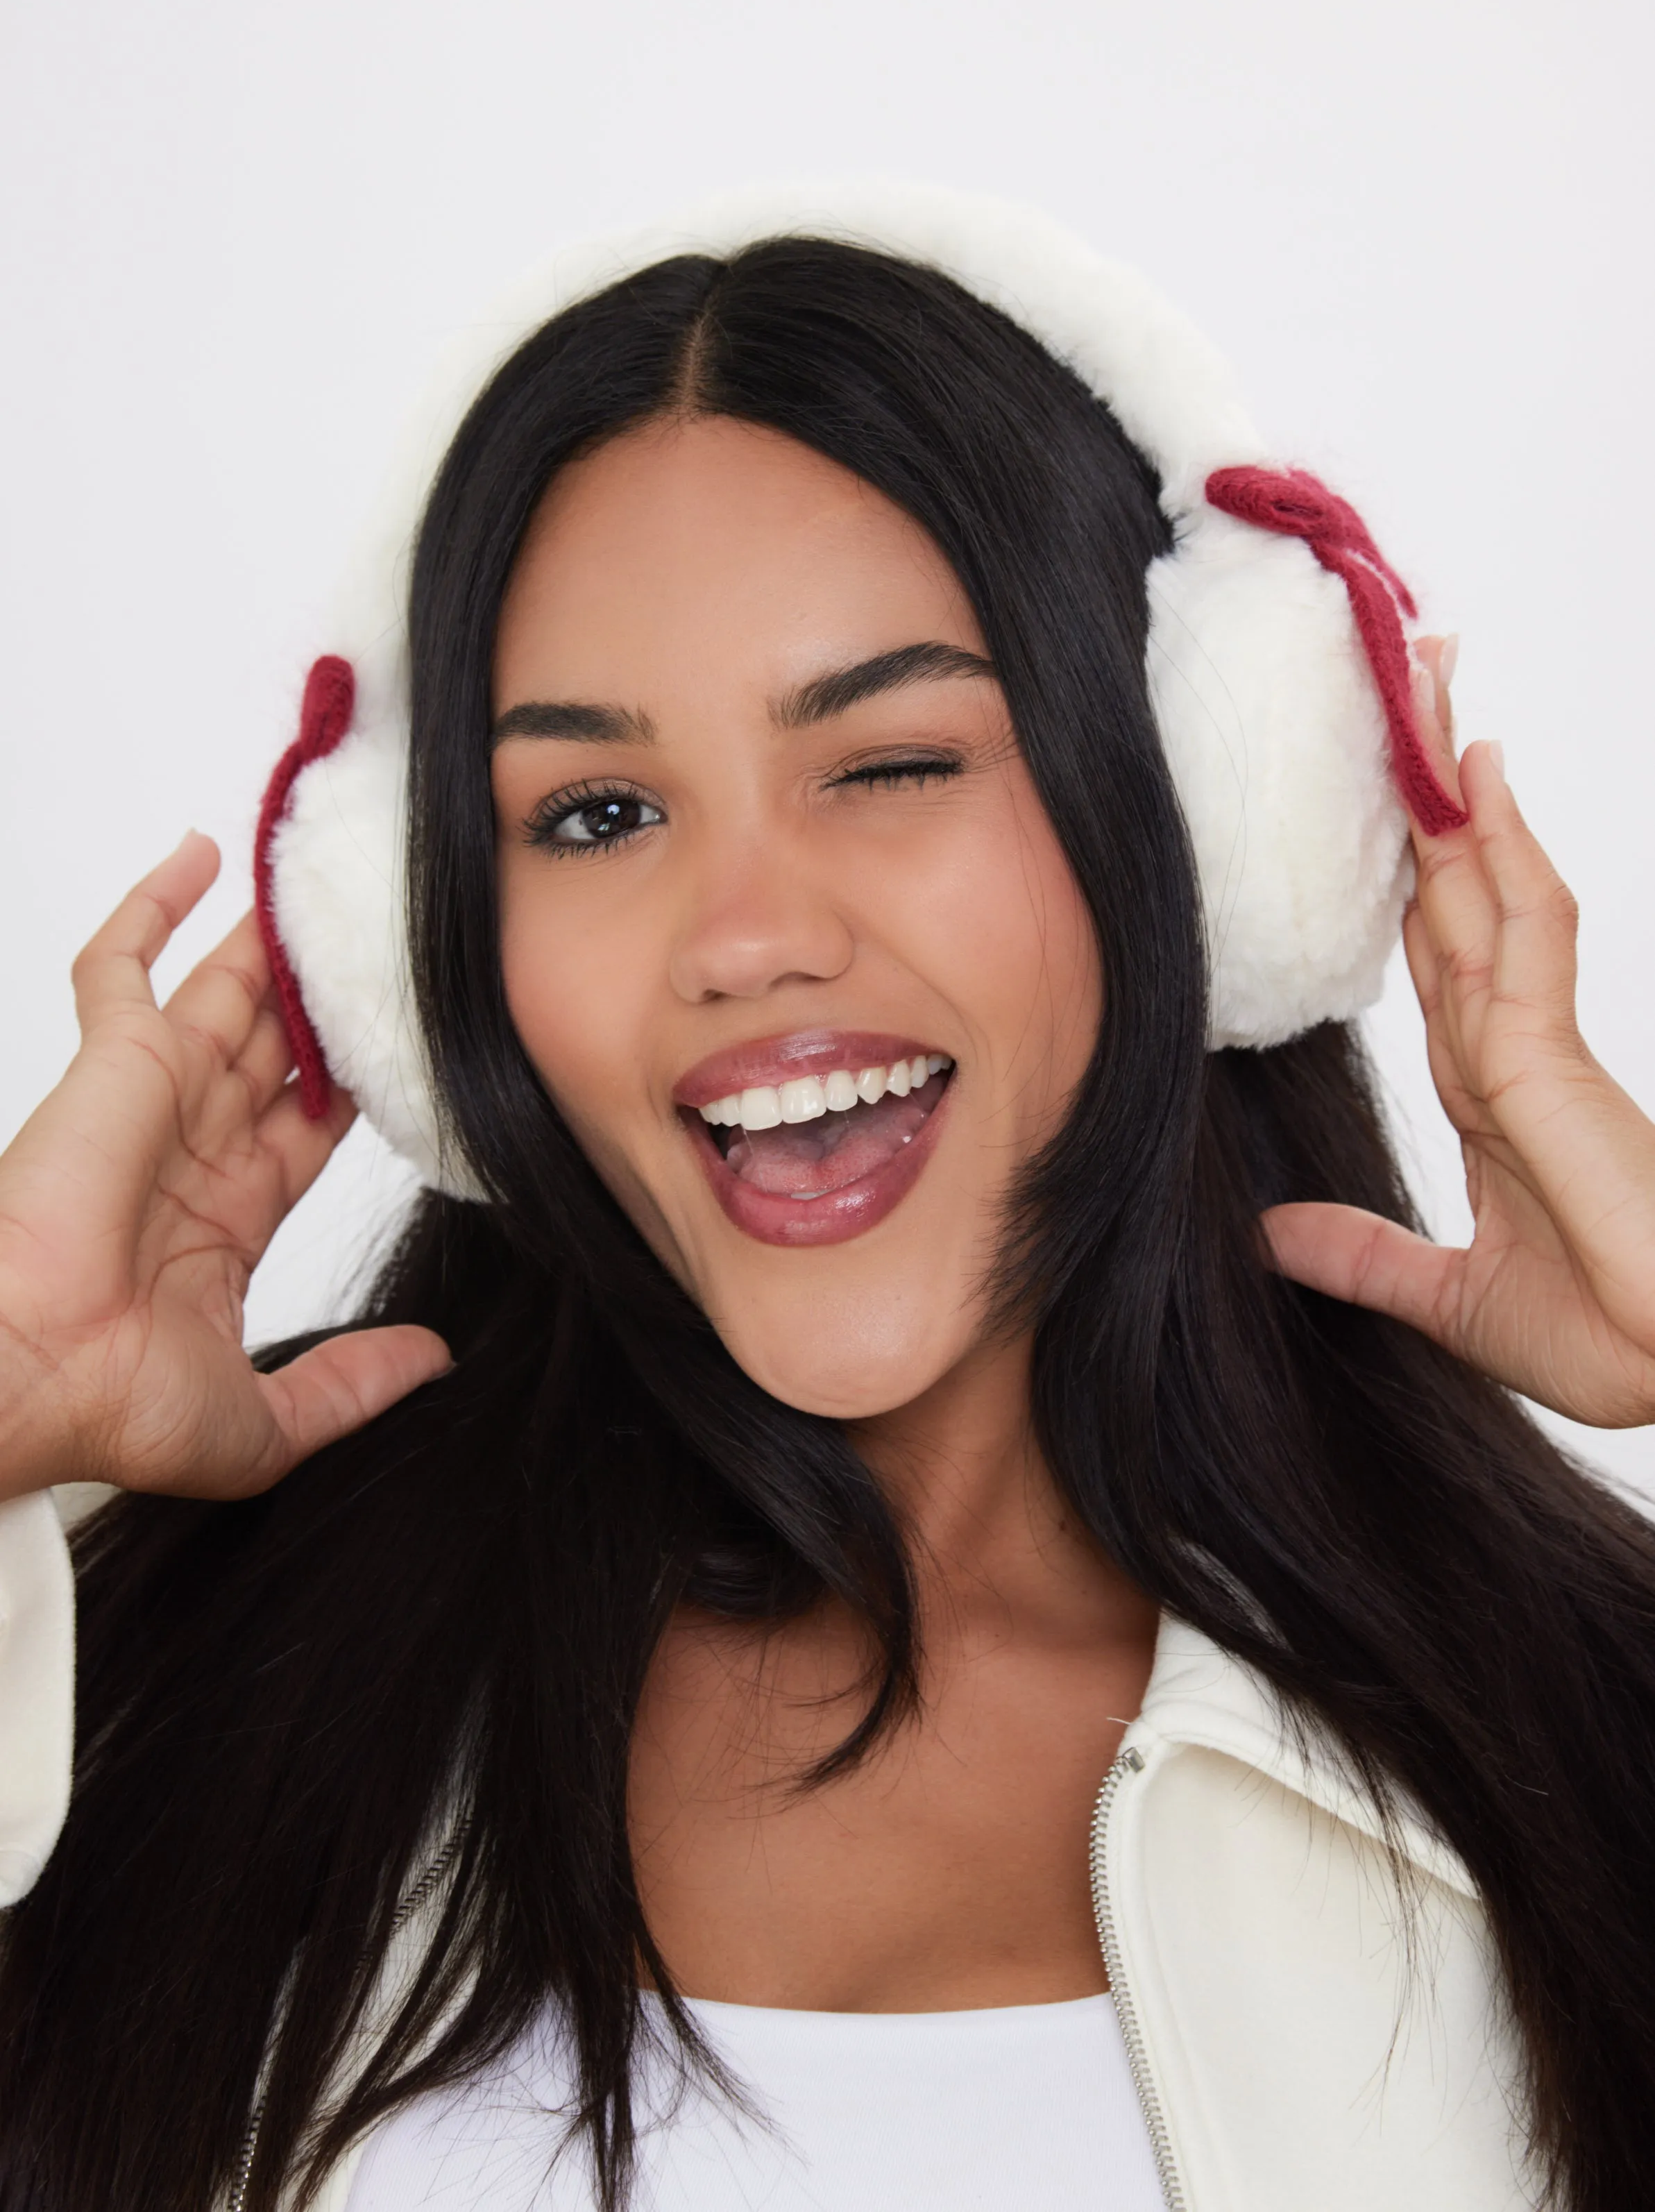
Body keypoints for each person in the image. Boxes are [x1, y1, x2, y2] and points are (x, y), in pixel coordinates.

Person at [1, 187, 1653, 2212]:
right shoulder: (120, 1679)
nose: (745, 937)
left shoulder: (1591, 1737)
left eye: (885, 760)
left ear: (1206, 822)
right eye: (597, 812)